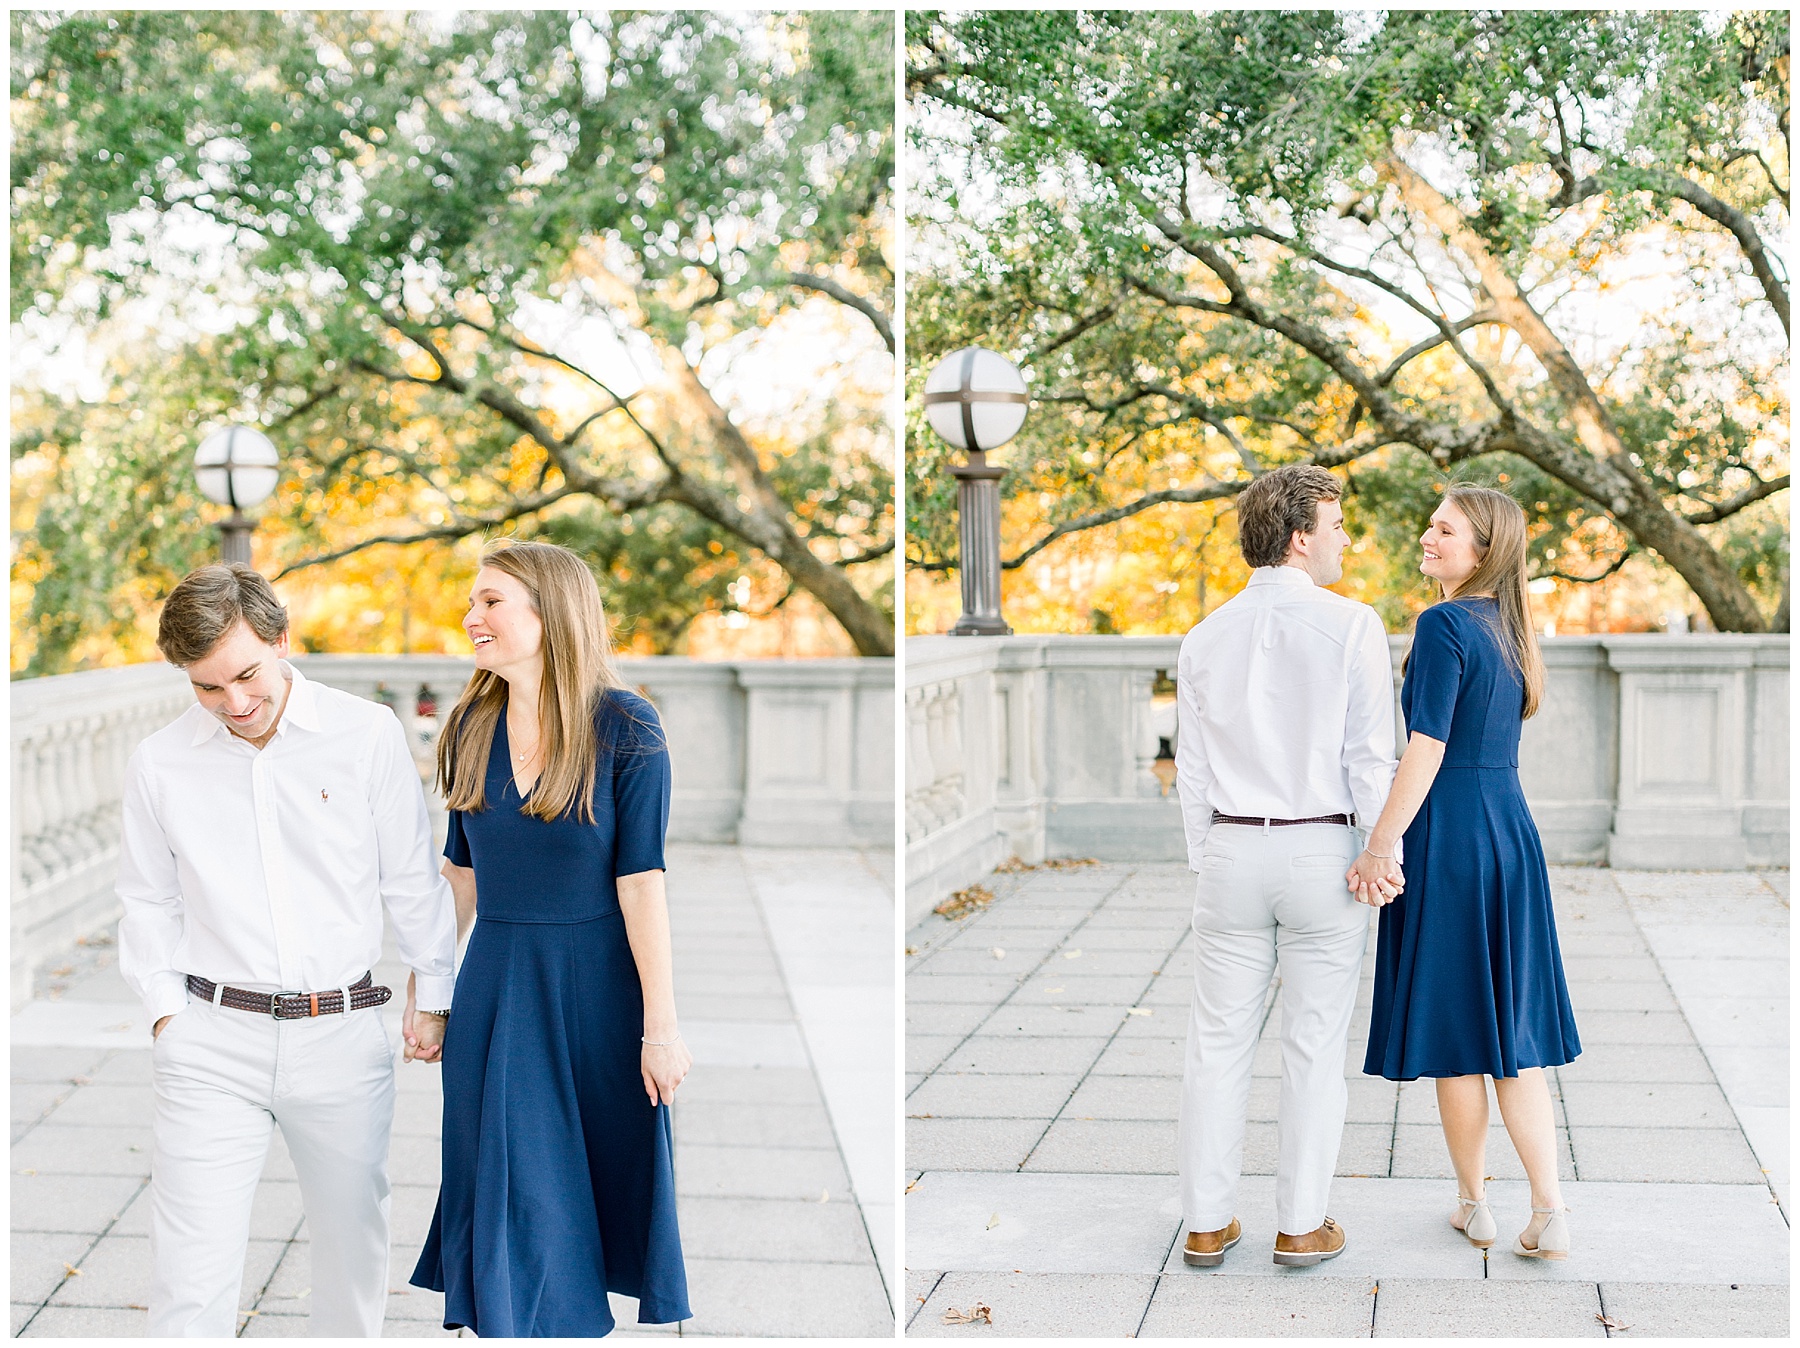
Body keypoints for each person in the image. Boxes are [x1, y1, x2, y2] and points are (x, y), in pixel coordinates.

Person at [117, 563, 457, 1337]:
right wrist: (169, 1018)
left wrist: (433, 996)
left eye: (245, 675)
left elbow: (410, 879)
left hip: (340, 1033)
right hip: (211, 1040)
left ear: (279, 638)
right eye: (207, 688)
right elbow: (146, 899)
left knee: (351, 1257)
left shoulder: (365, 734)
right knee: (188, 1273)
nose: (233, 704)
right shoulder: (160, 763)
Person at [411, 540, 691, 1336]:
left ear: (549, 611)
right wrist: (428, 997)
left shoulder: (626, 726)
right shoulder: (469, 723)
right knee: (509, 1187)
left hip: (599, 994)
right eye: (472, 602)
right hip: (498, 989)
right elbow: (458, 876)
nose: (472, 617)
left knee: (582, 1191)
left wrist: (661, 1028)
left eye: (491, 601)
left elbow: (642, 881)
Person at [1173, 464, 1403, 1269]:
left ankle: (1206, 1222)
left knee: (1216, 1042)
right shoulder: (1352, 626)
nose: (1345, 540)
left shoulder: (1203, 637)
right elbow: (1373, 757)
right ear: (1301, 536)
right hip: (1323, 852)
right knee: (1313, 1045)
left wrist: (1211, 856)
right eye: (1337, 526)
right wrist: (1383, 855)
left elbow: (1191, 771)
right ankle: (1301, 1225)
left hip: (1233, 847)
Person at [1358, 484, 1581, 1260]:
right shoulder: (1509, 629)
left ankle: (1475, 1203)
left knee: (1460, 1036)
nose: (1428, 537)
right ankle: (1548, 1208)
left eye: (1444, 530)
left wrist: (1381, 843)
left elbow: (1426, 749)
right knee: (1509, 1038)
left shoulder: (1444, 622)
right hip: (1509, 834)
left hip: (1450, 839)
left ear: (1482, 550)